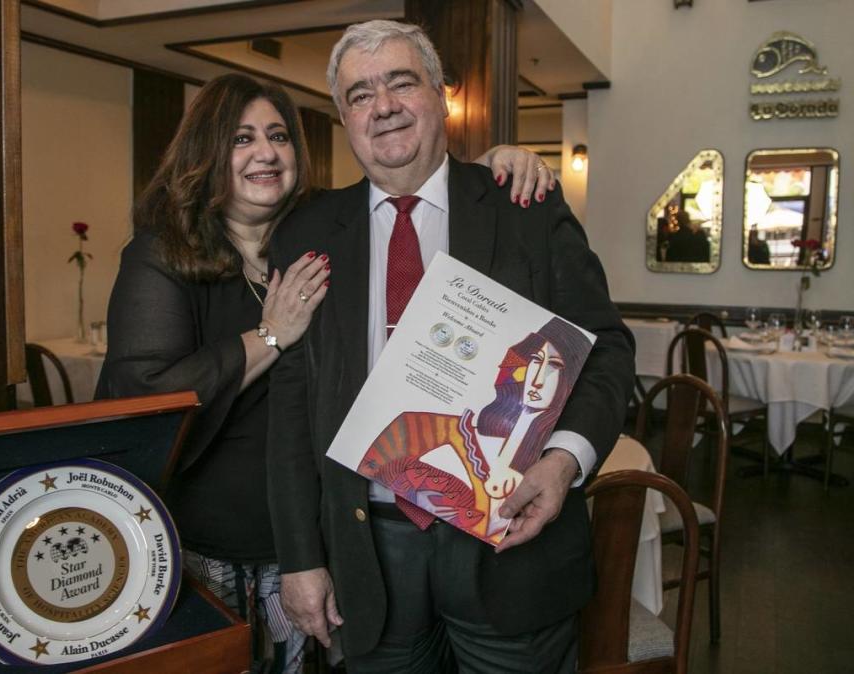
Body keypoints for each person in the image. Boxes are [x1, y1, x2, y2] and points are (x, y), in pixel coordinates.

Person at [95, 71, 555, 673]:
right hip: (223, 538)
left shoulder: (319, 230)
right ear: (205, 152)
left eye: (279, 135)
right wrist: (269, 336)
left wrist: (487, 167)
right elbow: (146, 394)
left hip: (335, 531)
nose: (266, 152)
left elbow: (413, 187)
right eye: (240, 139)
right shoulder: (164, 252)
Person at [266, 20, 635, 673]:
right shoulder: (310, 230)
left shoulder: (524, 204)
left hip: (513, 543)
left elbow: (604, 348)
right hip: (367, 551)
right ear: (345, 118)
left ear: (440, 95)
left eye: (400, 82)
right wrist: (300, 558)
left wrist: (561, 464)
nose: (382, 106)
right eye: (359, 94)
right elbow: (290, 408)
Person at [356, 318, 593, 543]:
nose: (538, 379)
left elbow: (609, 352)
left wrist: (564, 458)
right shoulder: (434, 427)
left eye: (553, 366)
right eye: (535, 361)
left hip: (511, 553)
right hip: (364, 524)